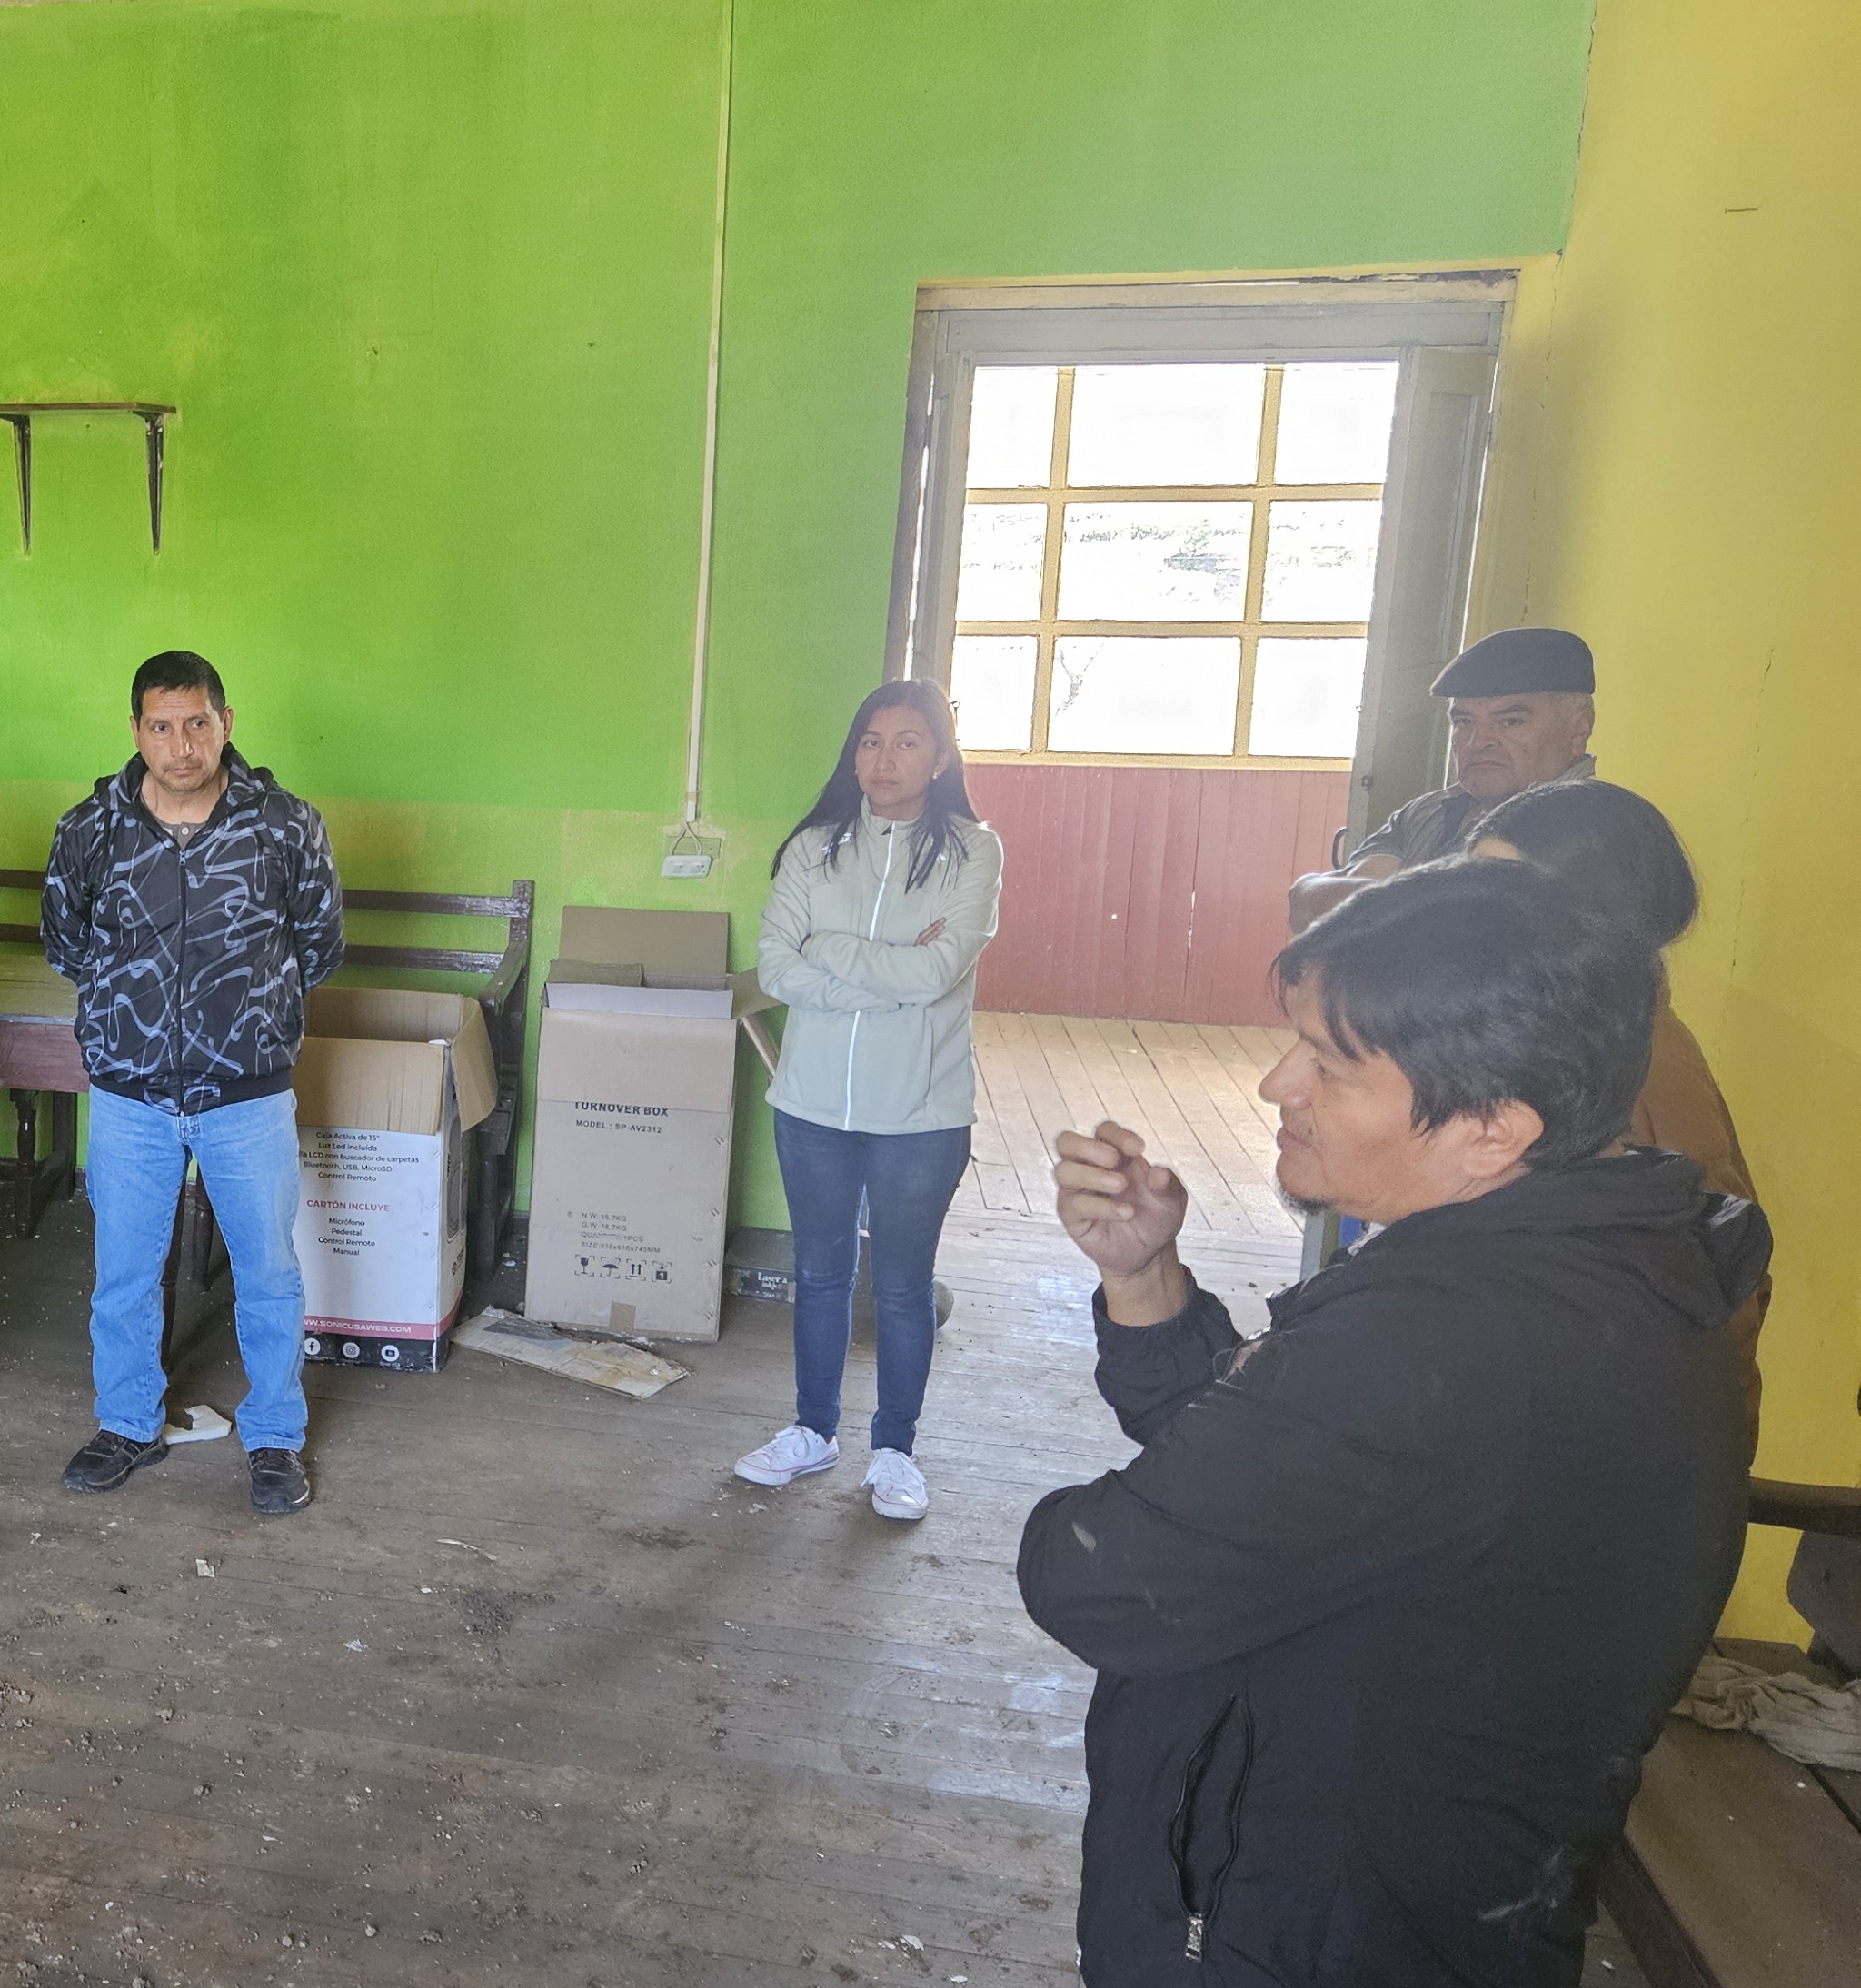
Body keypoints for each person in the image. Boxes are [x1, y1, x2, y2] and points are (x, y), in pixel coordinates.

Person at [1023, 857, 1764, 1983]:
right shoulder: (1597, 1259)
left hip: (1308, 1925)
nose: (1276, 1083)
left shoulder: (1452, 1337)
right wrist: (1144, 1276)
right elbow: (1290, 1470)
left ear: (1491, 1129)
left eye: (1329, 1063)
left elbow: (1102, 1577)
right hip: (1434, 1895)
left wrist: (1084, 1521)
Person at [41, 651, 343, 1516]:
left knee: (269, 1273)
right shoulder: (91, 830)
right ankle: (128, 1423)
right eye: (163, 726)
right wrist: (134, 1014)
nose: (182, 745)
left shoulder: (284, 826)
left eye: (198, 724)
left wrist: (247, 1019)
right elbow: (65, 942)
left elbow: (320, 945)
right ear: (137, 731)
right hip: (131, 1095)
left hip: (247, 1094)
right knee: (125, 1275)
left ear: (226, 723)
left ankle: (275, 1437)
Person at [734, 679, 1003, 1522]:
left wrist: (830, 949)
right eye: (871, 741)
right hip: (811, 1103)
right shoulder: (814, 848)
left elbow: (938, 971)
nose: (885, 759)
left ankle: (895, 1452)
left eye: (908, 741)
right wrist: (890, 978)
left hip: (920, 1113)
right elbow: (776, 968)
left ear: (942, 758)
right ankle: (812, 1432)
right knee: (818, 1275)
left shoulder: (973, 852)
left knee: (902, 1287)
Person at [1467, 777, 1769, 1426]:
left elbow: (1720, 1296)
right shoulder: (1567, 1041)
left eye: (1509, 893)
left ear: (1599, 914)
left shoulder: (1643, 1068)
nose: (1471, 918)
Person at [1288, 625, 1597, 930]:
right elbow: (1314, 905)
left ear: (1578, 730)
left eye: (1511, 721)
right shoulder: (1428, 811)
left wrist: (1386, 901)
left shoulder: (1596, 829)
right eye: (1463, 722)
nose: (1478, 742)